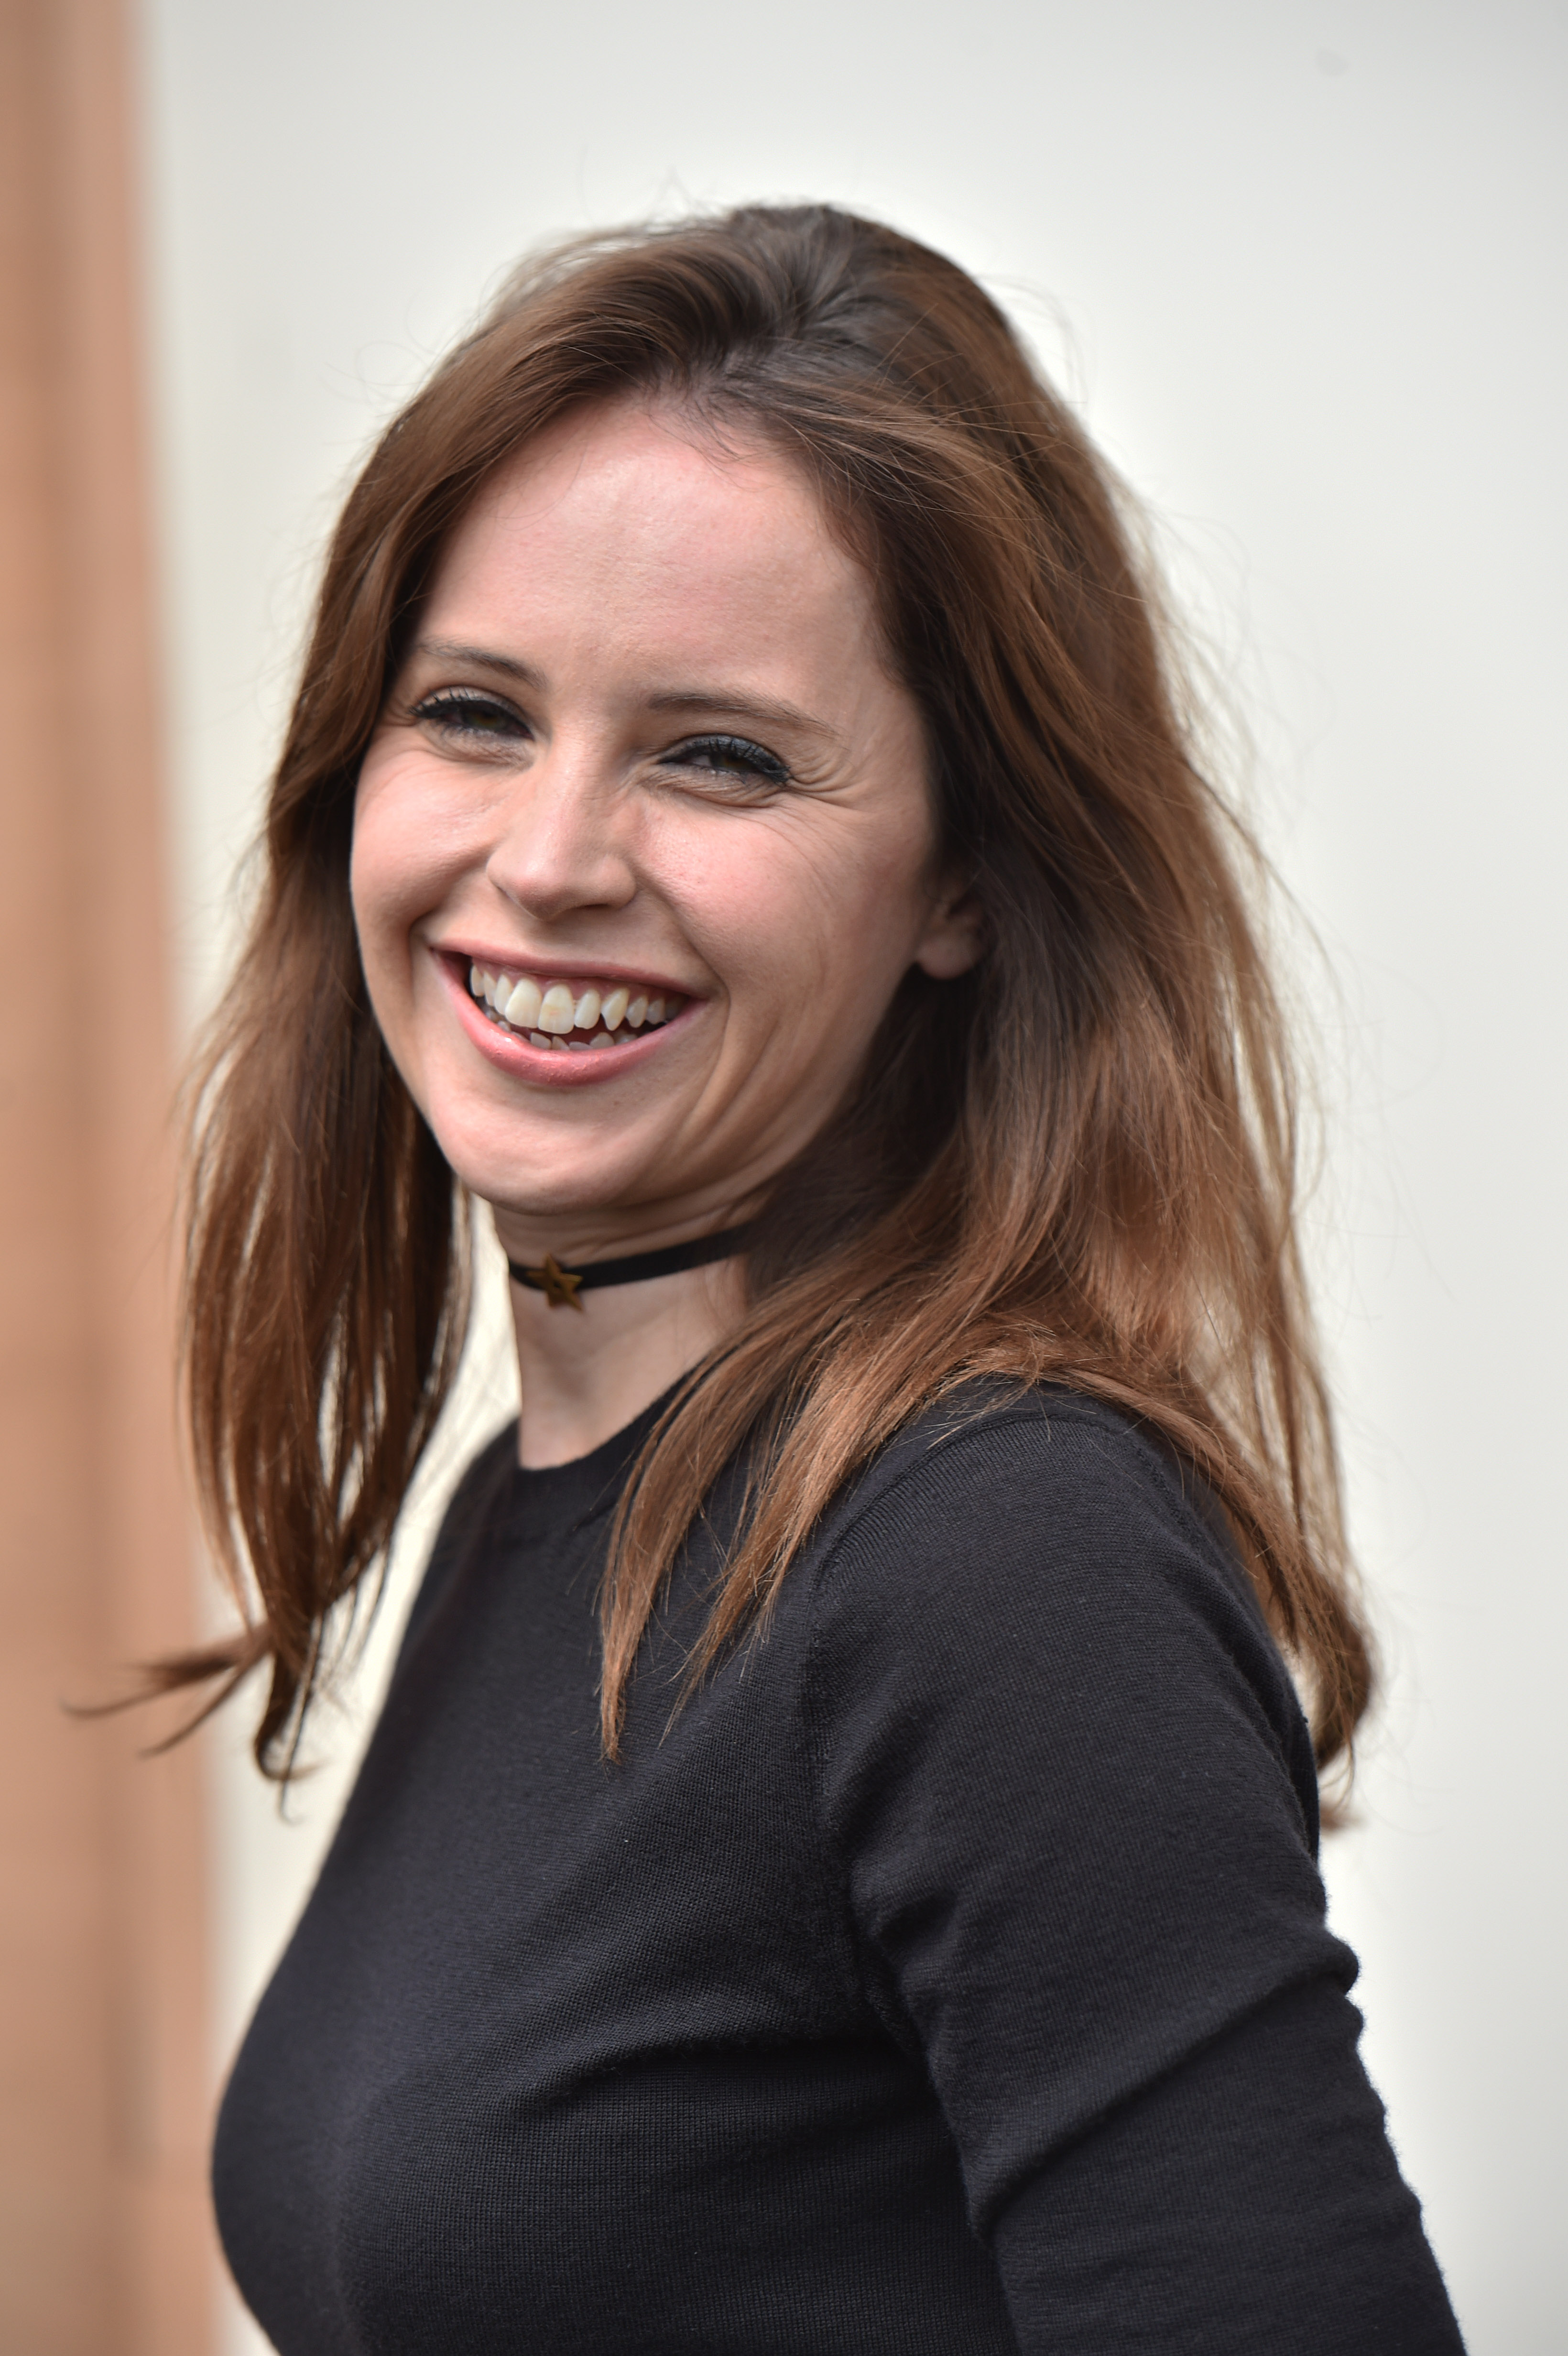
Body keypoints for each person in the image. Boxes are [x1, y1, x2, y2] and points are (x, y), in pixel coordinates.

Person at [174, 205, 1464, 2352]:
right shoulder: (532, 1505)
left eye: (721, 755)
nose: (549, 859)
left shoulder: (994, 1544)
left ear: (965, 880)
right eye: (474, 712)